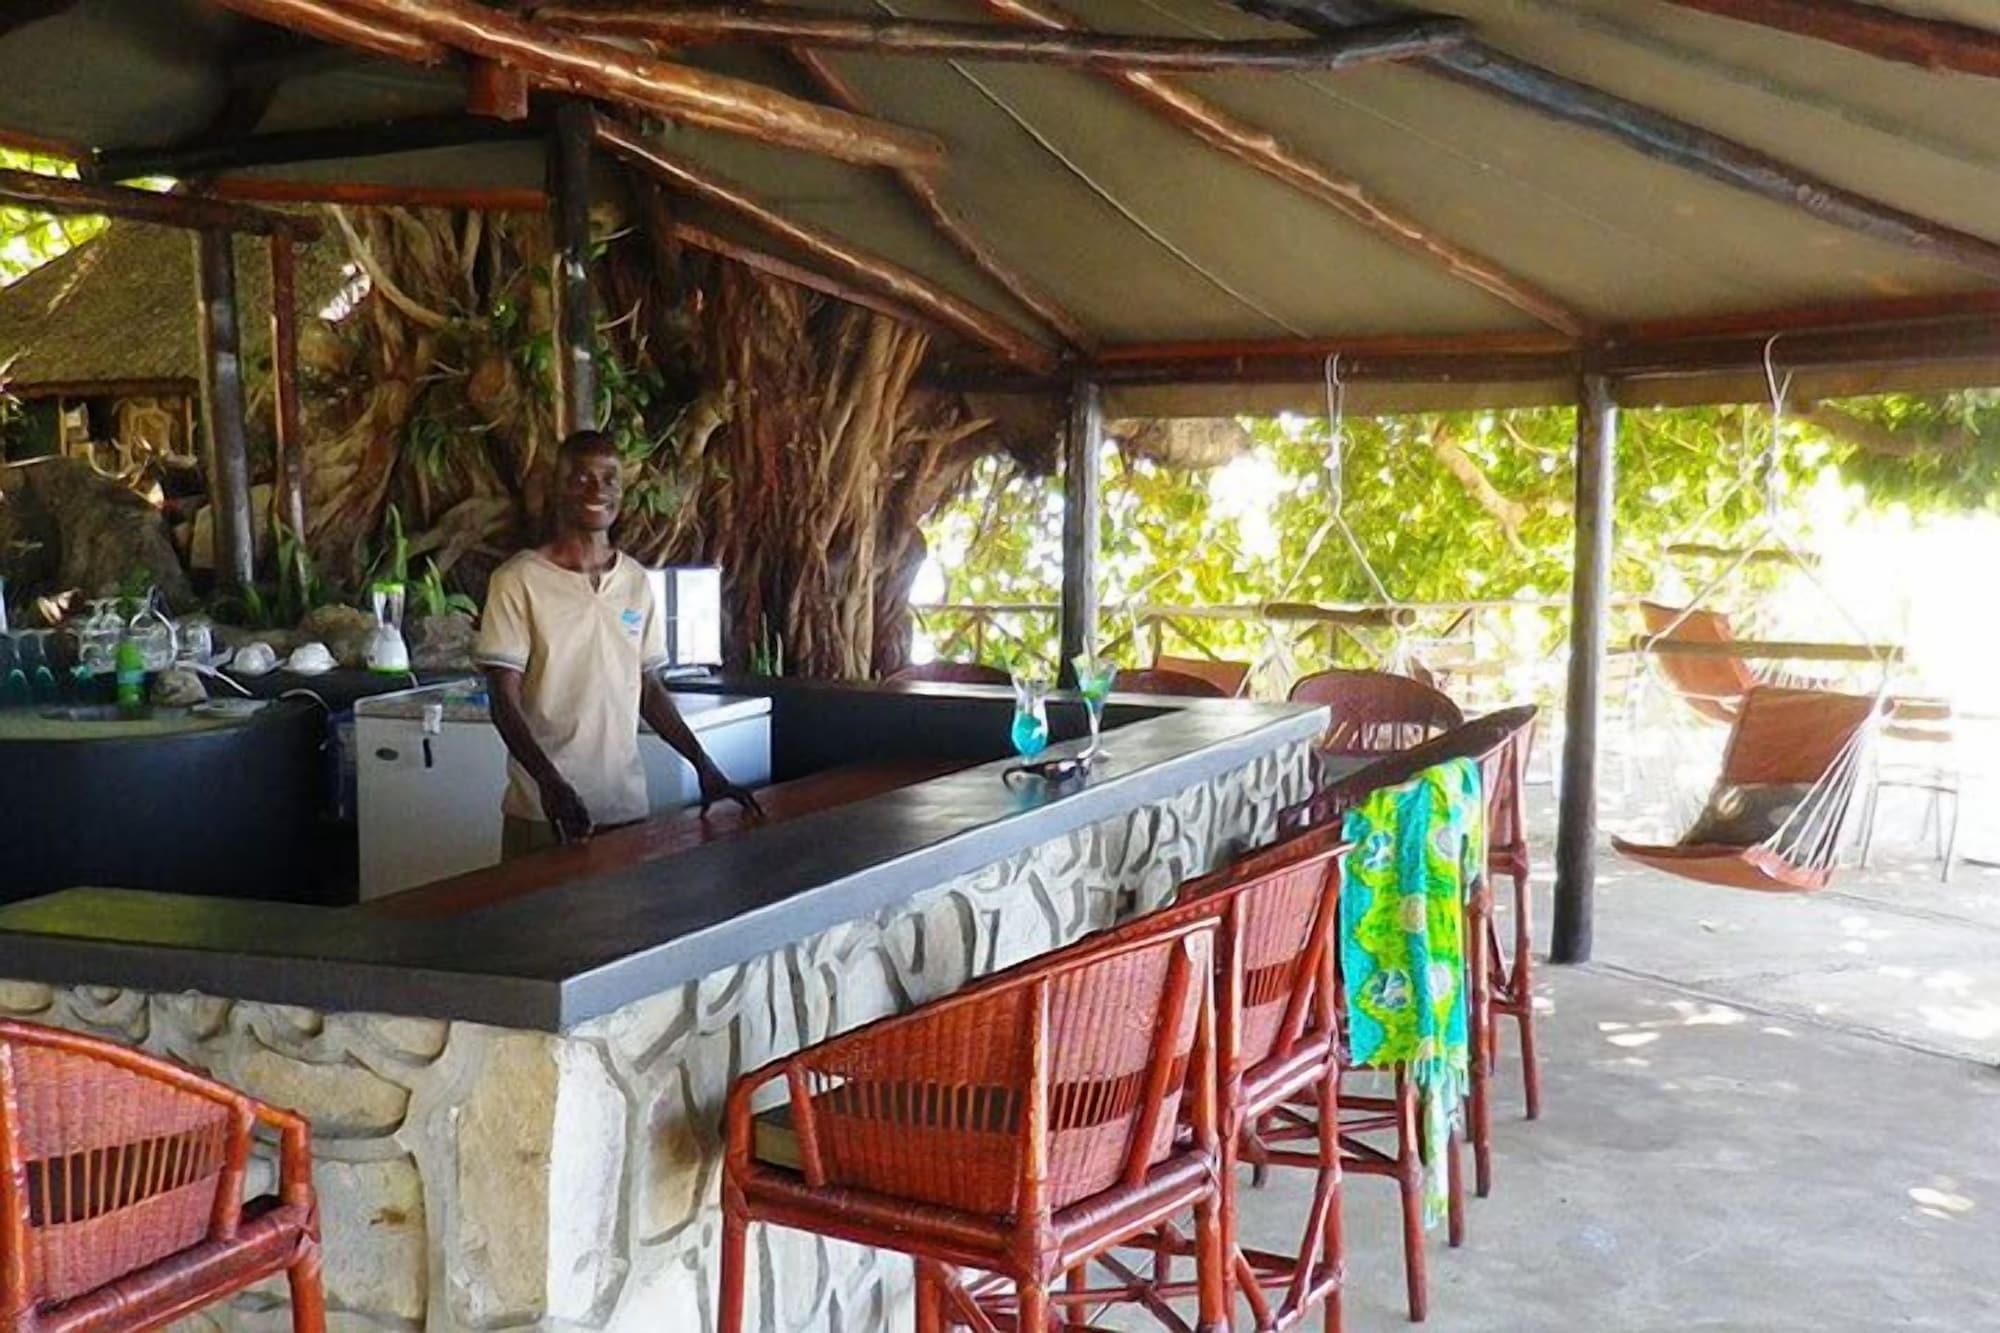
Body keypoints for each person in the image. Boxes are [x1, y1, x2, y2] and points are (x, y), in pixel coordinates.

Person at [475, 429, 761, 857]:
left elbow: (647, 689)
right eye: (582, 478)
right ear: (557, 488)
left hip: (625, 808)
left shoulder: (634, 581)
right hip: (545, 811)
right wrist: (549, 783)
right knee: (541, 925)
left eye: (609, 479)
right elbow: (503, 698)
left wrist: (704, 765)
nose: (598, 490)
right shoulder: (518, 581)